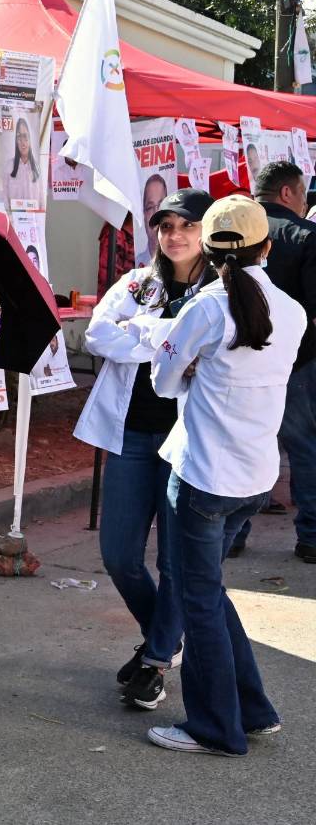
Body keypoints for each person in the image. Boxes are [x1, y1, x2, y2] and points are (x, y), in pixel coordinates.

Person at [146, 195, 303, 757]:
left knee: (198, 599)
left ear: (210, 251)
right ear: (267, 245)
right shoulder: (292, 309)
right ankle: (252, 711)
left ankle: (215, 726)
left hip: (203, 476)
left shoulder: (207, 307)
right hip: (255, 478)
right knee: (208, 592)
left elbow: (162, 383)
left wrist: (192, 376)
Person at [74, 189, 216, 711]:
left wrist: (142, 335)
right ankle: (165, 636)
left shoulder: (222, 289)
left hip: (190, 441)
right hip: (132, 435)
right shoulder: (139, 283)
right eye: (165, 226)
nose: (174, 235)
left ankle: (155, 660)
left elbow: (223, 353)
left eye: (186, 225)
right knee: (118, 555)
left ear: (206, 231)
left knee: (177, 559)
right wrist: (170, 340)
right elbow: (96, 335)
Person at [247, 161, 316, 562]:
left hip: (238, 357)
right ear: (288, 193)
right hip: (296, 362)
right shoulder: (306, 235)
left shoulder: (231, 228)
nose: (305, 201)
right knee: (304, 447)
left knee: (244, 443)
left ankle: (232, 534)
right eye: (304, 193)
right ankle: (310, 537)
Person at [5, 118, 39, 205]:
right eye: (19, 137)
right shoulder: (9, 166)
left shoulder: (38, 167)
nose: (23, 142)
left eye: (25, 136)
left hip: (33, 216)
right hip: (14, 217)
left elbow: (42, 201)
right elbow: (5, 198)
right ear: (16, 140)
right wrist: (10, 217)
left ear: (30, 138)